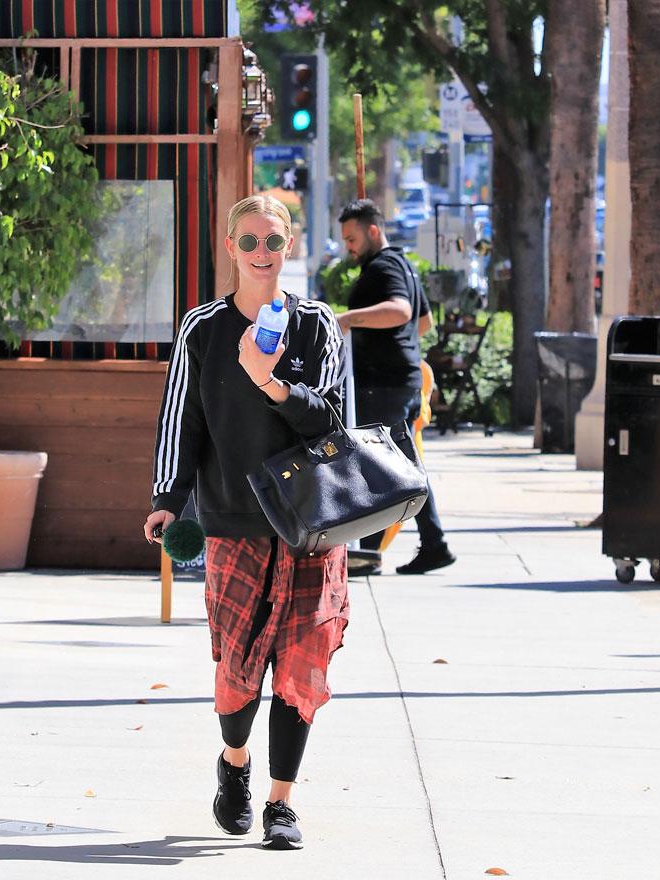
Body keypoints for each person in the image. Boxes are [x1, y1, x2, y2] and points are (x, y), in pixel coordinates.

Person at [143, 195, 348, 851]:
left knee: (302, 661)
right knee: (238, 664)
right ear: (229, 247)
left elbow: (335, 426)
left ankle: (281, 802)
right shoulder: (203, 329)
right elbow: (183, 422)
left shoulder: (317, 326)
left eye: (275, 241)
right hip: (234, 519)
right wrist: (168, 497)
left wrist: (273, 383)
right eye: (251, 241)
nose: (263, 254)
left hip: (312, 526)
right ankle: (234, 763)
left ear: (289, 247)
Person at [337, 199, 455, 576]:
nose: (348, 247)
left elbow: (403, 313)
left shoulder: (385, 266)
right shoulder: (402, 264)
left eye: (352, 238)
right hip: (398, 379)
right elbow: (425, 322)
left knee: (382, 466)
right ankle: (432, 543)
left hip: (384, 383)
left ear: (373, 231)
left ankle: (371, 552)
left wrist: (348, 320)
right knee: (399, 467)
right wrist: (396, 345)